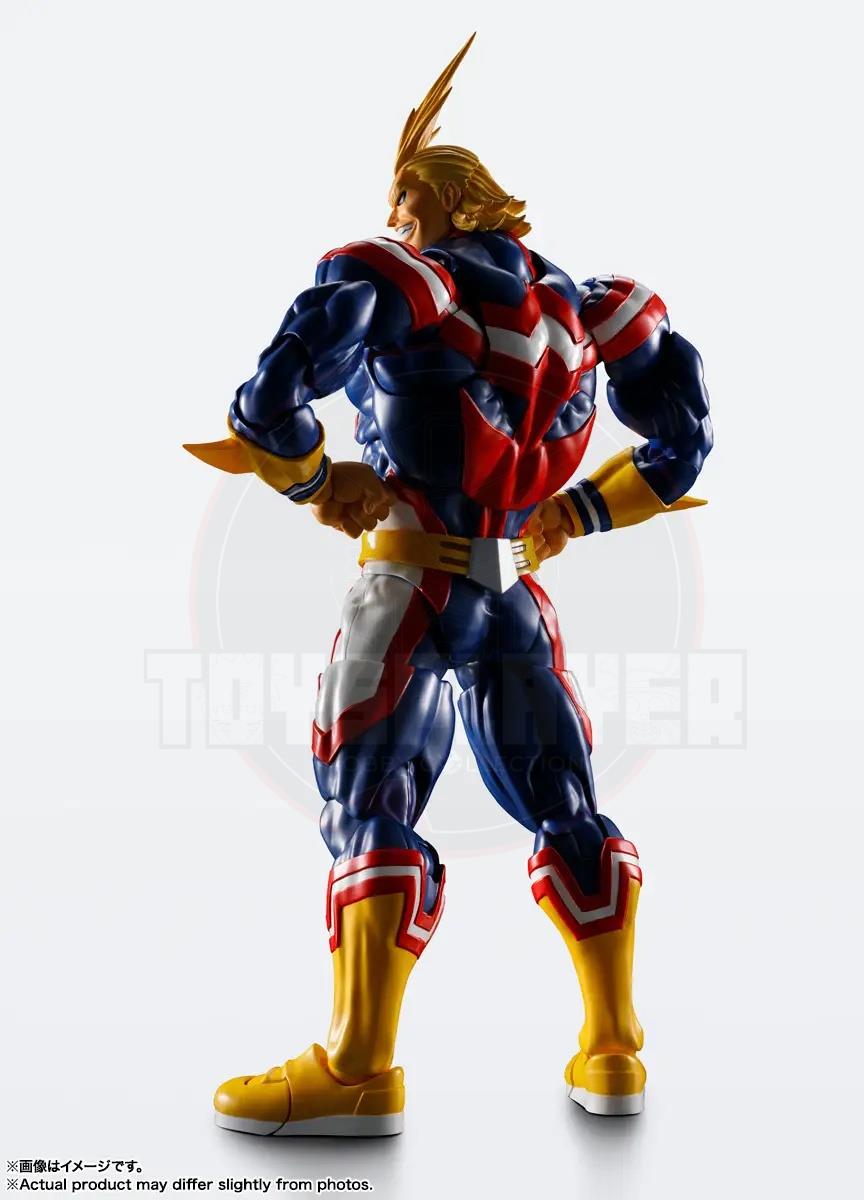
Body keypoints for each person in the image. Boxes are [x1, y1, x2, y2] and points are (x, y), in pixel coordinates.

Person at [186, 33, 712, 1135]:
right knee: (566, 802)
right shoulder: (587, 309)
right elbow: (683, 445)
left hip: (412, 585)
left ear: (435, 202)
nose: (395, 215)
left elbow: (269, 398)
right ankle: (614, 1047)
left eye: (403, 199)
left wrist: (313, 480)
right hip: (514, 590)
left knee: (367, 804)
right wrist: (575, 511)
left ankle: (358, 1066)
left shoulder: (406, 278)